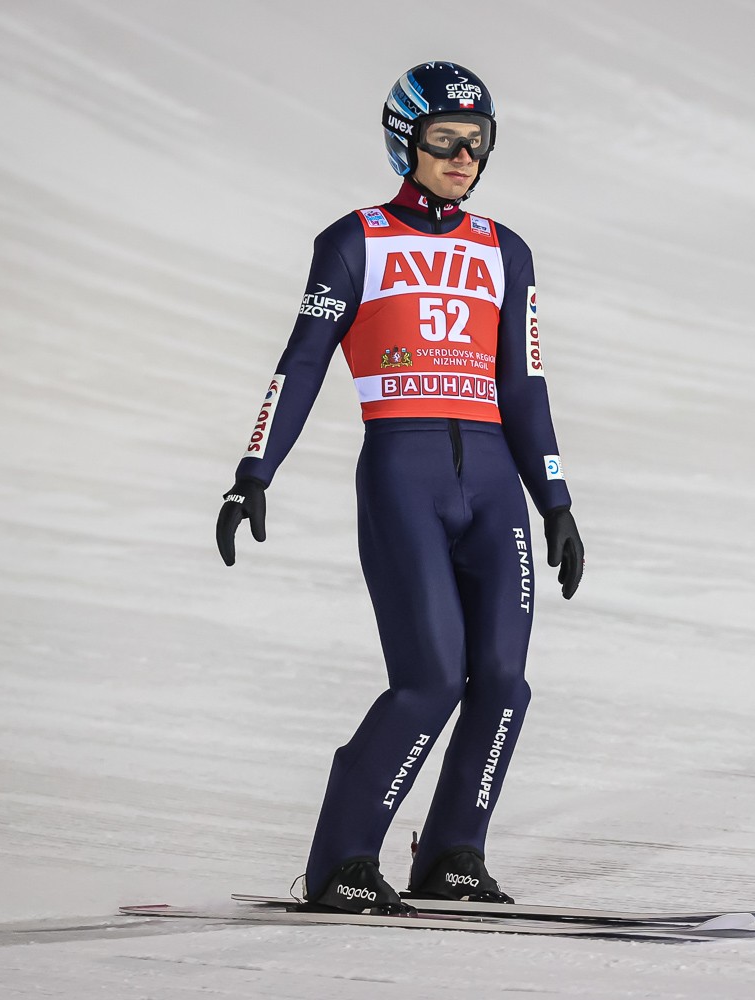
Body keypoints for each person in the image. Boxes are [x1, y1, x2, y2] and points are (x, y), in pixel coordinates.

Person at [216, 61, 583, 915]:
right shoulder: (355, 241)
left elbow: (525, 387)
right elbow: (303, 362)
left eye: (477, 143)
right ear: (405, 143)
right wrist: (253, 472)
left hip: (493, 482)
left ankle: (453, 852)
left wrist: (556, 501)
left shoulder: (506, 250)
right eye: (445, 141)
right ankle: (341, 861)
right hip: (403, 474)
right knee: (429, 680)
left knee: (503, 680)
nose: (463, 159)